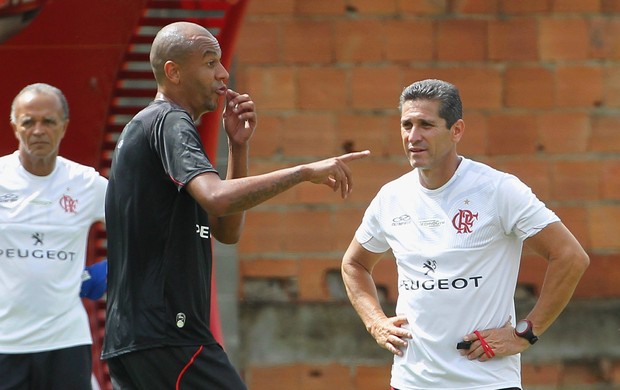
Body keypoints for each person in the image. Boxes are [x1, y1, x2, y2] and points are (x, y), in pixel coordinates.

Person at [102, 21, 369, 389]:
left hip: (134, 339)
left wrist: (238, 147)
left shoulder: (150, 126)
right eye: (210, 62)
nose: (223, 73)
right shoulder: (170, 121)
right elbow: (216, 197)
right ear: (173, 71)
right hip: (171, 333)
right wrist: (303, 171)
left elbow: (226, 230)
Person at [341, 79, 590, 390]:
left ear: (456, 130)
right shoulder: (391, 197)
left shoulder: (499, 189)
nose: (413, 137)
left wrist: (524, 333)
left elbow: (570, 257)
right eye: (407, 125)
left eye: (426, 125)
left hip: (487, 383)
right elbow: (354, 264)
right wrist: (375, 322)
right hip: (410, 383)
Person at [0, 83, 108, 389]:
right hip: (4, 344)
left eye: (48, 122)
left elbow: (145, 224)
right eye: (28, 122)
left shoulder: (85, 183)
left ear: (63, 127)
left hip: (66, 341)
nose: (38, 130)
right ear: (14, 126)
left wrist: (118, 269)